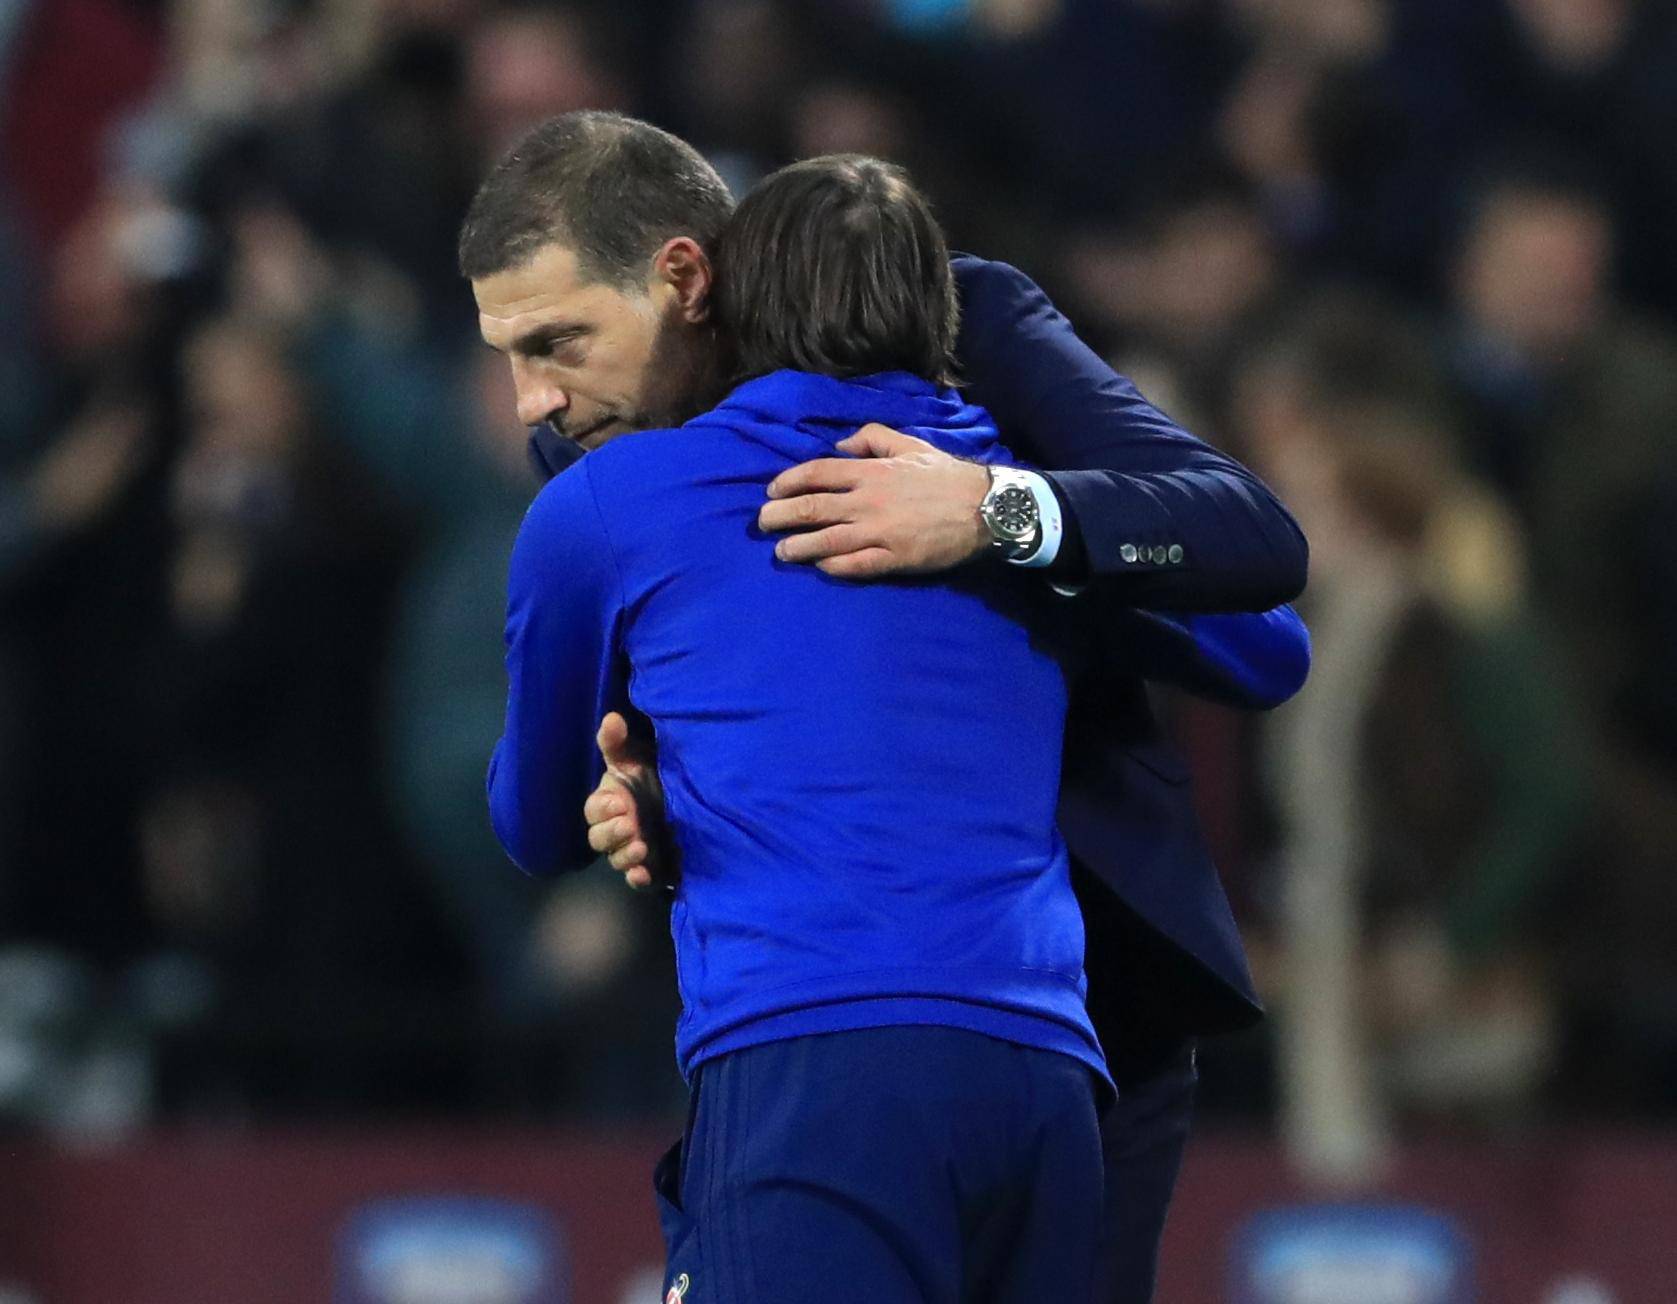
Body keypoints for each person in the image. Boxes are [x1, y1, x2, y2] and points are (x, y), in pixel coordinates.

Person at [463, 112, 1309, 1303]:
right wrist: (657, 784)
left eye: (558, 340)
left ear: (684, 279)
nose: (531, 401)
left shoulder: (955, 327)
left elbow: (1260, 611)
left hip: (1083, 997)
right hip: (933, 1014)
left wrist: (995, 517)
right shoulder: (602, 439)